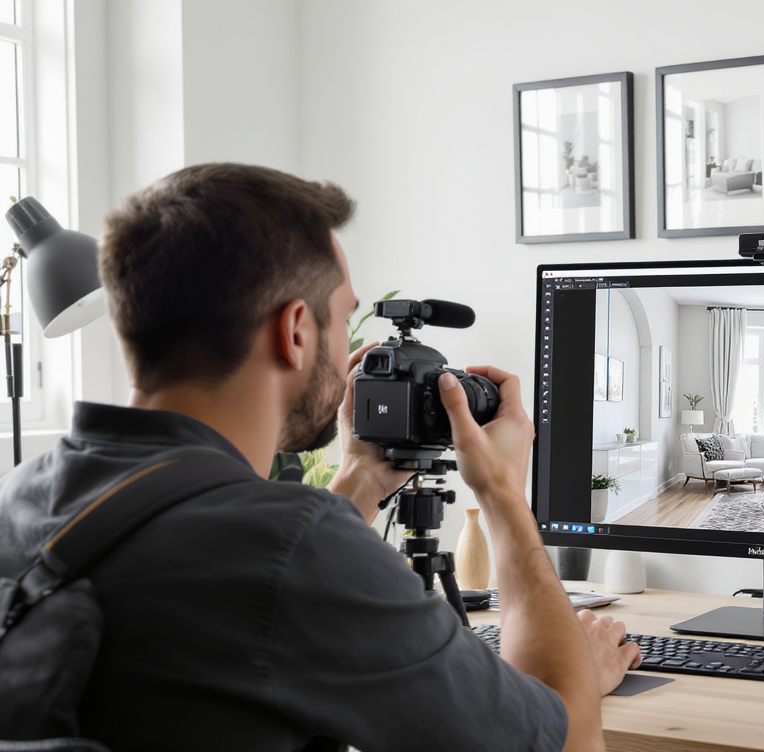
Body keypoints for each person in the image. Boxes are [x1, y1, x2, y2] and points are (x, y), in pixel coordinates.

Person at [0, 163, 639, 751]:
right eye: (342, 320)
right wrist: (502, 494)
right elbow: (570, 741)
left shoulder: (19, 500)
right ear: (297, 330)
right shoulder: (298, 549)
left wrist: (360, 476)